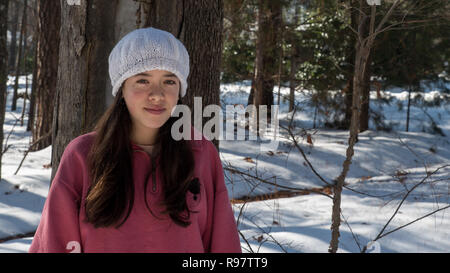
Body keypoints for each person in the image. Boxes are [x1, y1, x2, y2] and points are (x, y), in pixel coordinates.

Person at [29, 27, 241, 253]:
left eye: (169, 81)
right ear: (122, 88)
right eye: (143, 80)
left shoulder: (200, 153)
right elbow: (55, 243)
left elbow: (222, 244)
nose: (157, 94)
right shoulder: (83, 155)